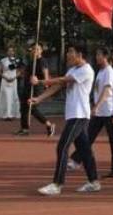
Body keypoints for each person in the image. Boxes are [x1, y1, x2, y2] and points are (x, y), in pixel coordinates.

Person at [31, 44, 99, 195]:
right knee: (85, 150)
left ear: (80, 54)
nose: (68, 54)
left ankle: (57, 184)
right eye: (68, 51)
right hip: (73, 115)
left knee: (62, 146)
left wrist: (40, 82)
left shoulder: (86, 70)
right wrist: (39, 98)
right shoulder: (73, 69)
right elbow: (58, 85)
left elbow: (63, 79)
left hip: (80, 115)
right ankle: (94, 182)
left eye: (71, 52)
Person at [67, 48, 113, 174]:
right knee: (89, 135)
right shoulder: (100, 71)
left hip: (108, 110)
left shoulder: (109, 71)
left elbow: (107, 90)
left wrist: (97, 105)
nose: (97, 57)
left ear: (105, 56)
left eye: (99, 54)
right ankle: (76, 160)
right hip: (99, 112)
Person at [14, 43, 55, 136]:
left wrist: (45, 85)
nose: (35, 51)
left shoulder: (42, 61)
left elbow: (46, 76)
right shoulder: (31, 61)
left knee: (31, 107)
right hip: (27, 87)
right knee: (24, 108)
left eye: (37, 49)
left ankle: (49, 124)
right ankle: (24, 129)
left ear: (41, 51)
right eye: (33, 49)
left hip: (36, 87)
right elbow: (25, 73)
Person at [0, 46, 21, 119]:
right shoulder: (3, 60)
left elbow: (19, 72)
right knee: (6, 96)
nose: (10, 52)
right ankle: (6, 114)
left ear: (14, 52)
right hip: (5, 80)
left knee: (13, 95)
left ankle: (13, 113)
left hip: (13, 80)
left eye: (12, 51)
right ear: (7, 52)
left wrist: (14, 77)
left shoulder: (17, 60)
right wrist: (5, 77)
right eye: (9, 51)